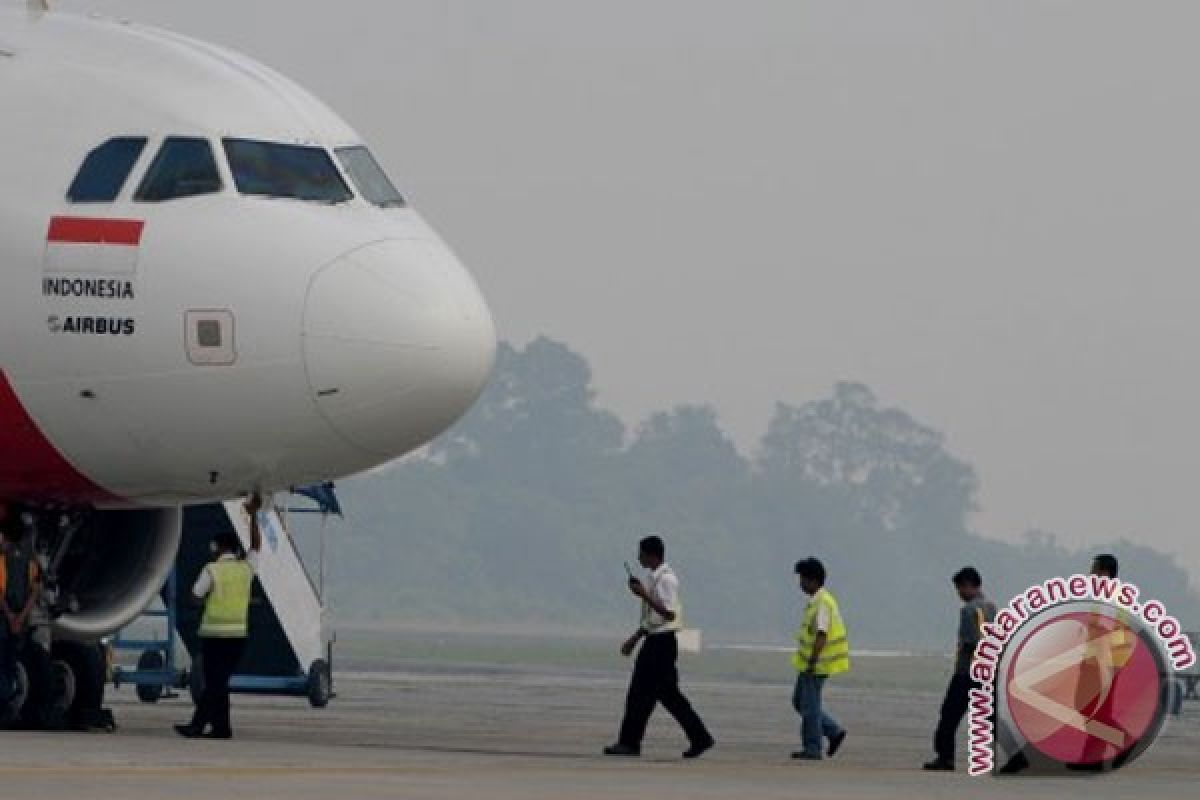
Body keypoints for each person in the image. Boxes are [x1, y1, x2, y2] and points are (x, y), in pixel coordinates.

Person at [604, 534, 714, 759]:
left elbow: (667, 614)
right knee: (667, 696)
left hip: (661, 645)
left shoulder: (666, 580)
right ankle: (699, 737)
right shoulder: (654, 578)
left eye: (641, 553)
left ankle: (630, 743)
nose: (638, 557)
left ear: (651, 554)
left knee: (640, 694)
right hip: (655, 642)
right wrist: (635, 638)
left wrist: (643, 595)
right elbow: (654, 617)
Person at [175, 493, 262, 739]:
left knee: (214, 683)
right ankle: (221, 728)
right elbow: (256, 546)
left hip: (214, 636)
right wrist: (254, 516)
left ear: (219, 547)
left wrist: (204, 602)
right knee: (219, 684)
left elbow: (194, 596)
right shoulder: (246, 568)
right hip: (238, 638)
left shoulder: (212, 569)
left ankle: (198, 726)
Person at [924, 566, 996, 771]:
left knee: (949, 715)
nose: (959, 594)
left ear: (968, 585)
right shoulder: (991, 607)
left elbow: (971, 641)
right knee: (990, 716)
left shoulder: (968, 610)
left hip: (966, 672)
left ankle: (945, 757)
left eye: (960, 589)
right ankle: (1019, 753)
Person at [791, 557, 849, 761]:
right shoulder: (816, 602)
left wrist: (813, 662)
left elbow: (821, 635)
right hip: (810, 663)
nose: (800, 584)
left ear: (813, 580)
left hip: (817, 664)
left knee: (809, 706)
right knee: (800, 702)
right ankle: (833, 731)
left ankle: (813, 747)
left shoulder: (822, 603)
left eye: (802, 579)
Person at [0, 508, 41, 715]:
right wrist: (21, 618)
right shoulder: (30, 558)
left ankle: (4, 702)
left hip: (6, 618)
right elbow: (36, 591)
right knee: (10, 661)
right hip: (20, 619)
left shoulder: (2, 557)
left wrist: (9, 617)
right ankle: (7, 702)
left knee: (3, 662)